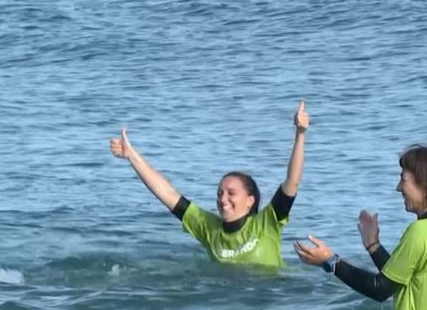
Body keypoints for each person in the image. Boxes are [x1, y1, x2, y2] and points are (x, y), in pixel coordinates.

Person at [294, 144, 427, 310]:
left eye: (403, 179)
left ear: (425, 185)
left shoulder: (420, 232)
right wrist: (373, 245)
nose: (398, 188)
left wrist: (330, 261)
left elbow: (380, 289)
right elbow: (404, 279)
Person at [108, 101, 310, 268]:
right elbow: (167, 194)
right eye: (219, 193)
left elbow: (292, 181)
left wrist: (300, 134)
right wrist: (132, 156)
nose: (223, 199)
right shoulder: (208, 228)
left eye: (231, 193)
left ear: (250, 201)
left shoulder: (267, 223)